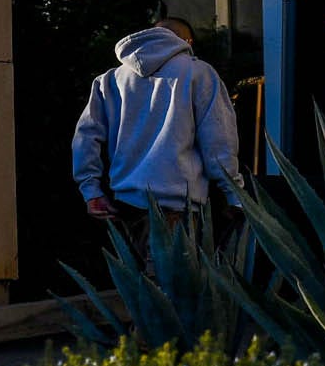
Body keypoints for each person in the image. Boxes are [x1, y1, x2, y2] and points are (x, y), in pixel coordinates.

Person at [70, 15, 245, 234]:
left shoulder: (110, 79)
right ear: (186, 42)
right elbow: (219, 140)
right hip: (180, 207)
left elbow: (85, 138)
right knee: (174, 269)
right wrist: (233, 195)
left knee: (139, 267)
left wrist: (91, 191)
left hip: (126, 206)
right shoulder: (199, 73)